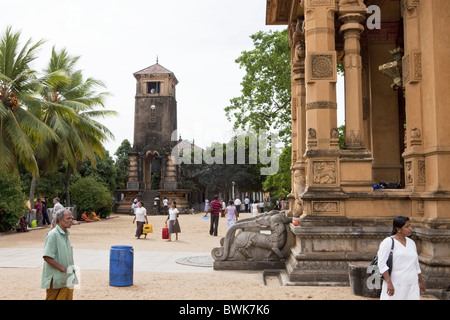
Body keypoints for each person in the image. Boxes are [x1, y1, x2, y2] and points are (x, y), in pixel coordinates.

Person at [377, 216, 426, 300]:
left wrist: (420, 282)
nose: (410, 228)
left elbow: (416, 265)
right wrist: (389, 283)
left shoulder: (412, 243)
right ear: (398, 229)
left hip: (412, 284)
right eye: (407, 227)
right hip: (395, 284)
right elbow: (381, 264)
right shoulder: (388, 242)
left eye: (410, 226)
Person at [41, 209, 77, 300]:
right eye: (68, 218)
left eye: (71, 218)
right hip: (56, 277)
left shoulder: (65, 234)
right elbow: (47, 257)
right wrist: (62, 268)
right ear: (60, 220)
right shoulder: (53, 235)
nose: (71, 220)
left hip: (67, 276)